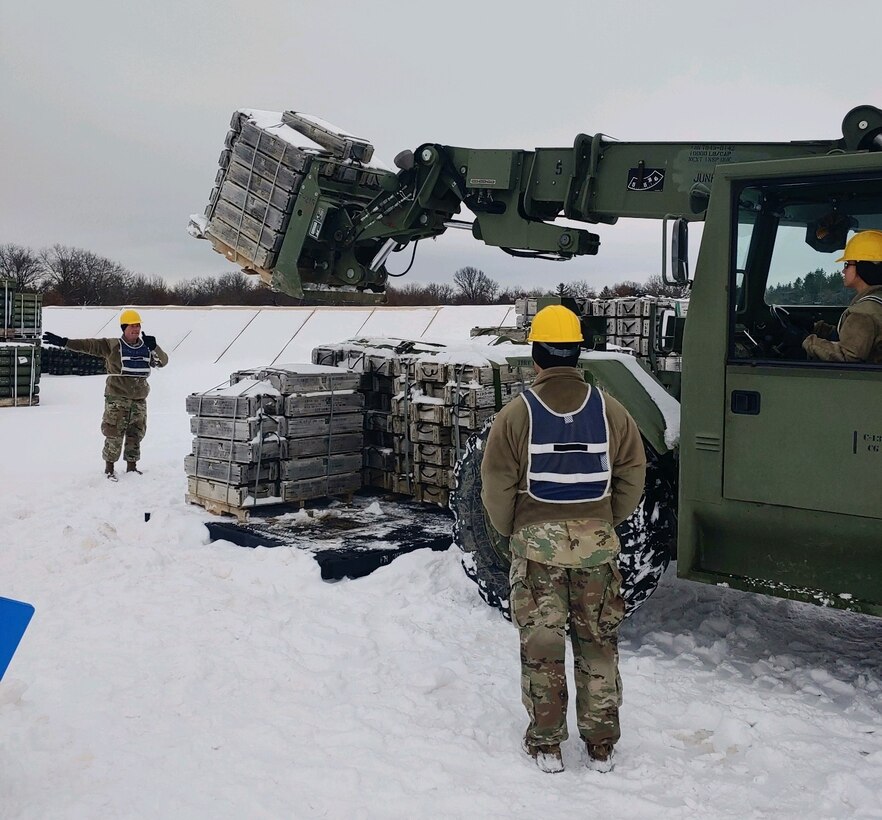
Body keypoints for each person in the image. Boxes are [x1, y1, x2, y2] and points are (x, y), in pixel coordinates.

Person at [480, 304, 646, 775]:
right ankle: (600, 747)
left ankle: (548, 745)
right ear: (578, 354)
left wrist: (517, 529)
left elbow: (496, 487)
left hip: (536, 550)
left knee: (542, 645)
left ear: (535, 355)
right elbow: (633, 472)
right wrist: (602, 519)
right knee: (598, 643)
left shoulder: (515, 415)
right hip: (597, 548)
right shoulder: (610, 409)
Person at [41, 308, 168, 480]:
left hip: (139, 399)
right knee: (113, 433)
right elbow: (89, 345)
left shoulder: (147, 347)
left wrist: (155, 347)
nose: (136, 329)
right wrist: (65, 342)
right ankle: (109, 468)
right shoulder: (113, 346)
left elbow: (163, 362)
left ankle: (132, 467)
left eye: (138, 326)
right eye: (132, 326)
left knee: (136, 434)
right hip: (117, 398)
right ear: (124, 328)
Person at [801, 230, 882, 364]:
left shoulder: (864, 313)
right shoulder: (875, 303)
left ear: (864, 267)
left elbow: (847, 356)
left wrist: (804, 340)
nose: (843, 271)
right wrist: (816, 328)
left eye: (847, 265)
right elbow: (853, 337)